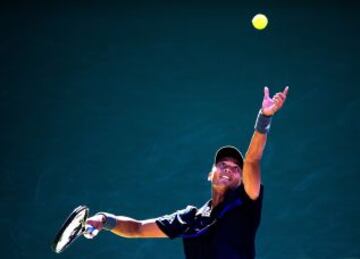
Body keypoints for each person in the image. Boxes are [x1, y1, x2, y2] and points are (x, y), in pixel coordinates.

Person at [85, 86, 289, 259]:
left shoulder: (246, 201)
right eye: (223, 165)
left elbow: (252, 159)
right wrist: (105, 220)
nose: (229, 169)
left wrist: (265, 116)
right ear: (210, 175)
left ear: (241, 180)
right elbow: (137, 228)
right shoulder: (189, 219)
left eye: (237, 169)